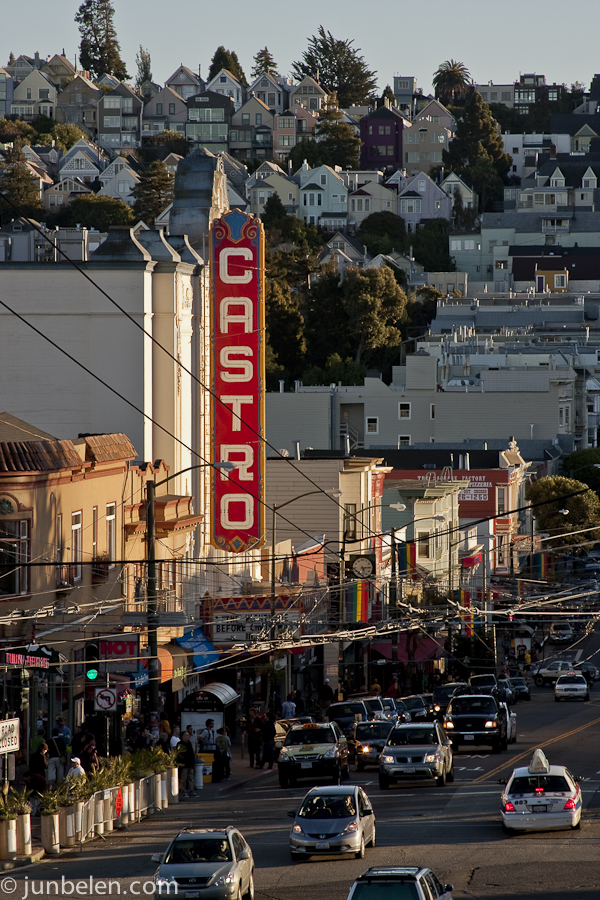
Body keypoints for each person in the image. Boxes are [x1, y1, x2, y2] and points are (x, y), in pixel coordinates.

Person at [176, 731, 196, 798]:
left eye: (188, 735)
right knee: (183, 779)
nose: (188, 736)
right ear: (183, 736)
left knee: (191, 778)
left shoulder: (189, 743)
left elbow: (191, 753)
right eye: (186, 735)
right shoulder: (180, 744)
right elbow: (179, 755)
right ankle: (183, 791)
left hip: (190, 764)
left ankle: (192, 791)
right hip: (184, 764)